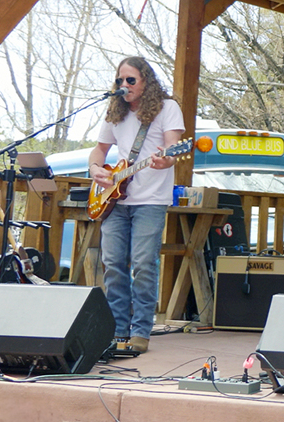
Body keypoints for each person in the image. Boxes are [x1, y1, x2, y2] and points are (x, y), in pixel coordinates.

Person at [89, 57, 185, 354]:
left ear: (146, 81)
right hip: (115, 201)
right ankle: (118, 329)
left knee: (144, 264)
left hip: (150, 200)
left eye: (130, 80)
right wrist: (95, 168)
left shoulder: (167, 108)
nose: (124, 86)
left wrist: (165, 159)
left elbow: (172, 150)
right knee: (114, 264)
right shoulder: (115, 112)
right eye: (120, 81)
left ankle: (141, 330)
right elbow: (100, 150)